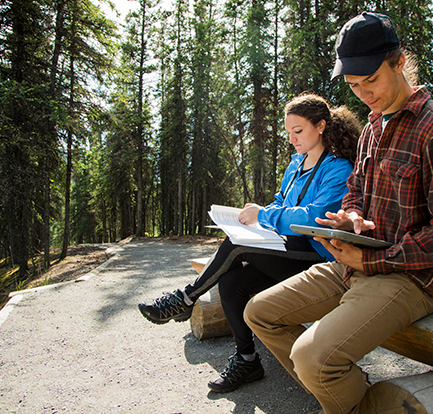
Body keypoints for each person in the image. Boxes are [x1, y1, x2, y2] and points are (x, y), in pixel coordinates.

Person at [245, 12, 433, 414]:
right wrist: (349, 219)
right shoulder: (373, 127)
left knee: (312, 358)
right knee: (259, 313)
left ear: (399, 61)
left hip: (412, 279)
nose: (364, 94)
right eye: (354, 85)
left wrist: (375, 258)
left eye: (371, 80)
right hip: (356, 264)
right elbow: (356, 192)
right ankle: (350, 398)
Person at [137, 93, 362, 393]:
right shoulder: (296, 164)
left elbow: (316, 217)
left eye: (299, 132)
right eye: (289, 133)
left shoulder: (337, 167)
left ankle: (186, 298)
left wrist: (265, 215)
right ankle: (247, 360)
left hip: (318, 258)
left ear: (321, 126)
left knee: (236, 246)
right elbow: (282, 202)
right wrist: (257, 213)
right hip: (287, 252)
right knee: (231, 282)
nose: (292, 140)